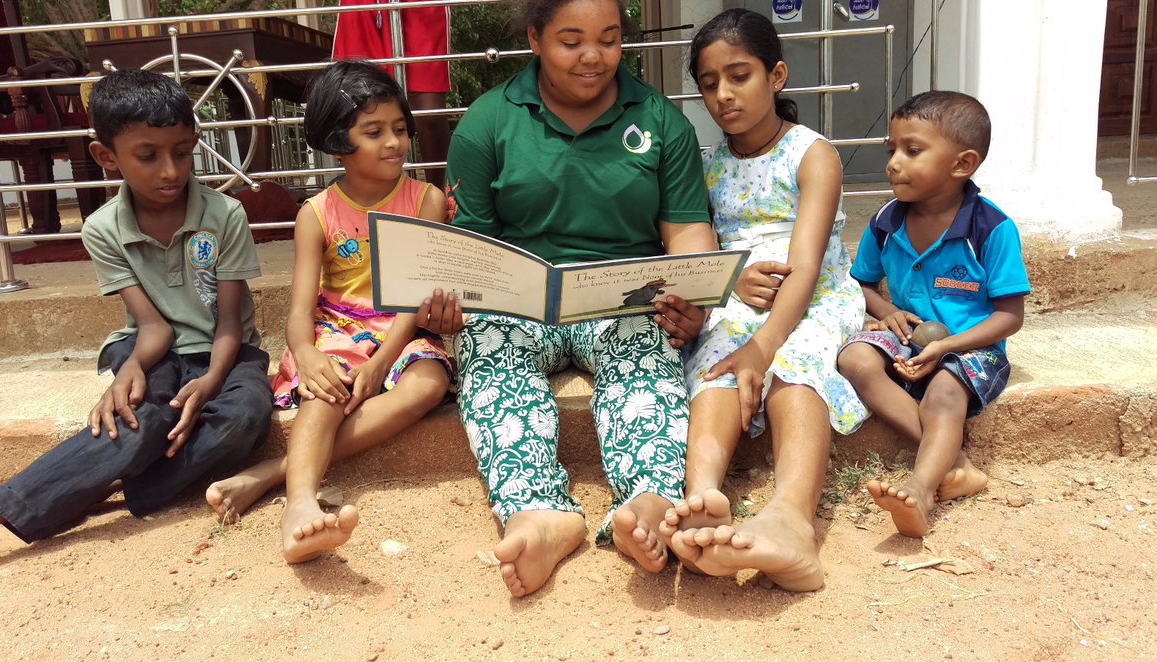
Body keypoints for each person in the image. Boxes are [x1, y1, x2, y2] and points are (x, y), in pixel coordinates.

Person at [418, 0, 718, 598]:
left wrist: (693, 299)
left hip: (622, 299)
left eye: (609, 39)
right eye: (571, 40)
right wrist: (450, 304)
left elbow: (687, 235)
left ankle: (648, 503)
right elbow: (470, 244)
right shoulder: (487, 121)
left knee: (645, 355)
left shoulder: (660, 120)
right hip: (519, 304)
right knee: (488, 348)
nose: (593, 57)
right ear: (534, 38)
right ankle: (541, 513)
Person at [0, 69, 273, 565]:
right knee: (138, 419)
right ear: (107, 157)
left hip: (225, 353)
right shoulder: (102, 229)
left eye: (183, 151)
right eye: (147, 156)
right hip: (153, 348)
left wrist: (212, 379)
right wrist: (128, 370)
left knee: (245, 416)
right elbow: (154, 326)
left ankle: (106, 487)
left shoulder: (225, 214)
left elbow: (229, 323)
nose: (170, 170)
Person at [654, 9, 868, 592]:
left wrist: (765, 344)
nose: (723, 95)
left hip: (814, 299)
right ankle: (702, 495)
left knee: (795, 367)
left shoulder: (811, 153)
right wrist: (727, 293)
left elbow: (804, 263)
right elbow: (701, 254)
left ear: (776, 76)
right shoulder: (707, 166)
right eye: (708, 82)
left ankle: (791, 521)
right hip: (739, 305)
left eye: (739, 75)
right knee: (719, 364)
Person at [206, 61, 453, 564]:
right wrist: (305, 352)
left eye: (400, 129)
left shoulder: (424, 199)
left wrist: (383, 360)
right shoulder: (316, 212)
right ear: (338, 140)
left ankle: (272, 473)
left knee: (427, 386)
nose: (394, 143)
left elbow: (413, 295)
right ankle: (299, 507)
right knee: (325, 386)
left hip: (403, 327)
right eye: (374, 132)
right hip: (339, 326)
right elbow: (300, 309)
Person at [836, 90, 1030, 538]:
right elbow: (860, 283)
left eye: (912, 150)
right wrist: (886, 311)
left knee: (945, 392)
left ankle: (922, 490)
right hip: (909, 339)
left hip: (969, 347)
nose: (893, 162)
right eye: (892, 149)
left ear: (962, 164)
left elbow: (1009, 317)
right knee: (855, 359)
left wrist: (946, 346)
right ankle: (958, 466)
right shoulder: (886, 221)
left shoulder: (991, 229)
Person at [333, 0, 452, 189]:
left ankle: (441, 200)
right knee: (361, 103)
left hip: (419, 7)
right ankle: (373, 199)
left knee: (430, 112)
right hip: (363, 5)